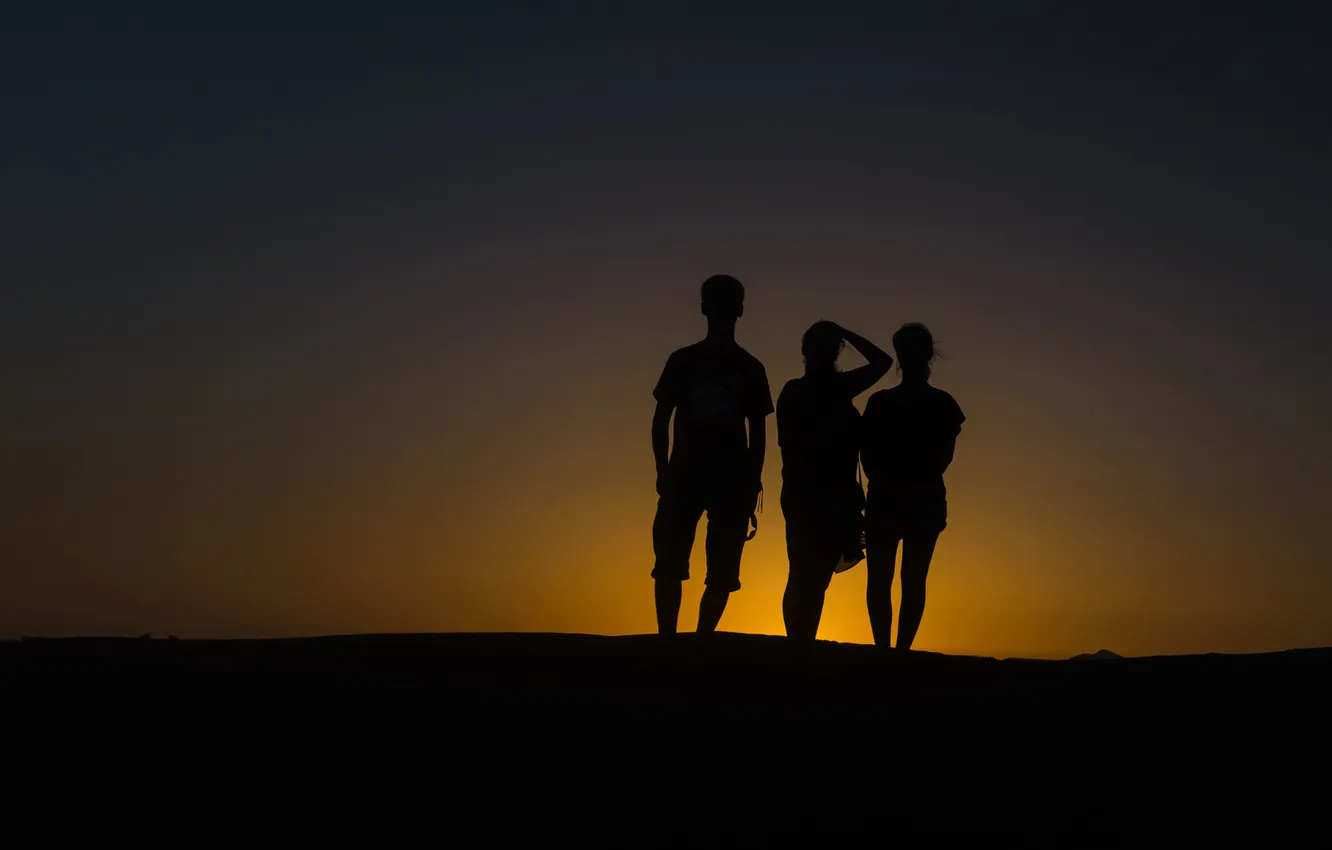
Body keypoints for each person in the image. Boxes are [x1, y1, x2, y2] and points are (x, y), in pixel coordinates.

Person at [651, 275, 774, 637]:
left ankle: (699, 641)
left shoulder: (750, 368)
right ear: (707, 308)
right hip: (686, 476)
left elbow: (759, 433)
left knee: (721, 571)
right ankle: (669, 641)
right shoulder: (683, 361)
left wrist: (751, 481)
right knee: (670, 564)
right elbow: (660, 420)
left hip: (729, 481)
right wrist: (663, 472)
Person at [777, 321, 893, 641]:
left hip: (837, 496)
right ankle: (799, 640)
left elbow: (883, 362)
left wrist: (844, 332)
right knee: (805, 572)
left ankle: (802, 639)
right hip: (809, 496)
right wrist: (844, 332)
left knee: (815, 573)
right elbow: (789, 446)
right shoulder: (801, 390)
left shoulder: (837, 387)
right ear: (807, 352)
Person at [860, 323, 964, 651]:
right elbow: (943, 457)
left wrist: (887, 482)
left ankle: (886, 650)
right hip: (920, 498)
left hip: (895, 498)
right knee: (909, 580)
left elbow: (867, 455)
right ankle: (898, 651)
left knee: (885, 579)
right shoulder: (942, 404)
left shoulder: (882, 403)